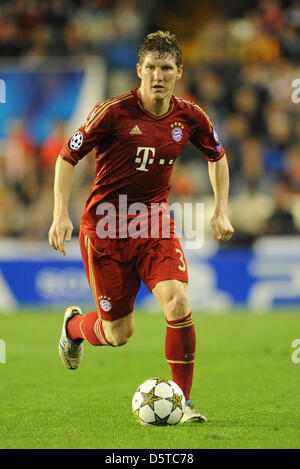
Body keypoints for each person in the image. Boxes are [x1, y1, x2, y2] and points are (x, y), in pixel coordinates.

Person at [49, 31, 234, 423]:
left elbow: (217, 156)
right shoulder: (112, 112)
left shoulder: (190, 116)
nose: (158, 76)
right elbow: (67, 157)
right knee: (118, 334)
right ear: (139, 70)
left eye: (166, 68)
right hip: (105, 232)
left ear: (178, 73)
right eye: (151, 67)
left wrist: (220, 209)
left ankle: (182, 404)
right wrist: (59, 213)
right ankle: (74, 327)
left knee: (179, 303)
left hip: (153, 225)